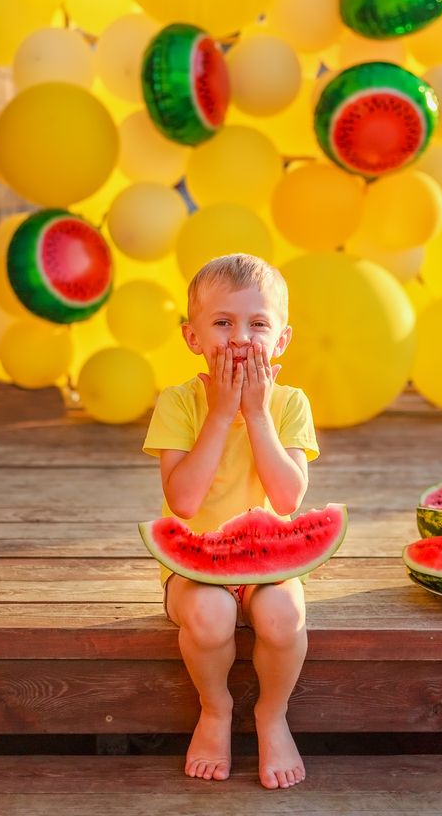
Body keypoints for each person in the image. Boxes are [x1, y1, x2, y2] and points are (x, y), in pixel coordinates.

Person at [143, 253, 319, 790]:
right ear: (192, 337)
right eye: (223, 323)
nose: (240, 338)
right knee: (212, 615)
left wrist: (256, 414)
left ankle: (272, 713)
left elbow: (287, 500)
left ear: (282, 340)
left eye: (257, 324)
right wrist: (221, 413)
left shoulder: (289, 403)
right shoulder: (178, 403)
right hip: (193, 569)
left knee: (284, 617)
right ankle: (215, 709)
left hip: (270, 565)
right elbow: (185, 502)